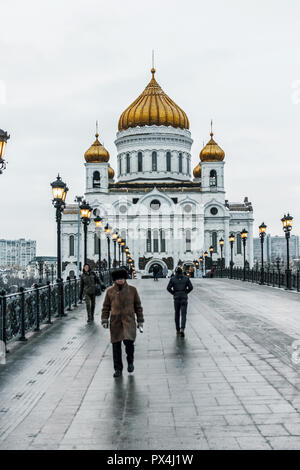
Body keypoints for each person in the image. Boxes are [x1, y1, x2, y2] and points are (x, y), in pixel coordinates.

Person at [101, 268, 144, 378]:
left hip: (129, 321)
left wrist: (140, 320)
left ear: (125, 279)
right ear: (114, 280)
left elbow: (138, 306)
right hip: (115, 322)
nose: (120, 281)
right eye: (118, 279)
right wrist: (104, 319)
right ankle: (118, 369)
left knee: (129, 344)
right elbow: (106, 307)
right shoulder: (110, 291)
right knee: (116, 347)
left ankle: (130, 362)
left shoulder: (132, 290)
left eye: (122, 278)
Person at [167, 266, 193, 337]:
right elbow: (191, 287)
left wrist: (174, 293)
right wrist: (186, 292)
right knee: (184, 314)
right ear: (182, 271)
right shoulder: (186, 278)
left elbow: (168, 288)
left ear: (175, 272)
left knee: (177, 313)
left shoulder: (172, 279)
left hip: (176, 298)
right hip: (184, 297)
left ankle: (177, 329)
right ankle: (182, 328)